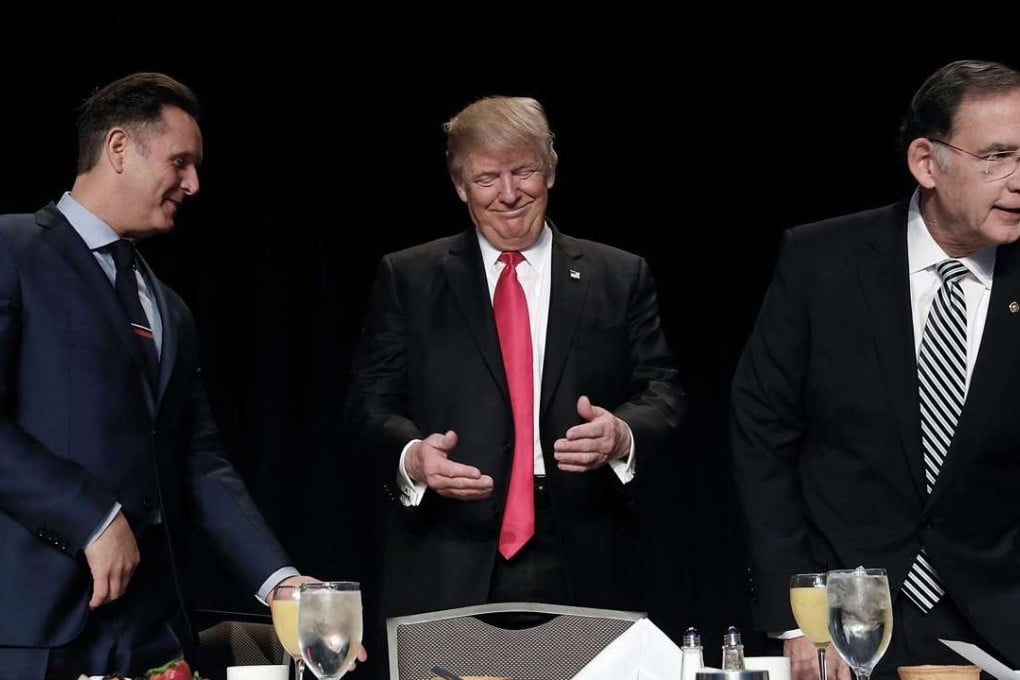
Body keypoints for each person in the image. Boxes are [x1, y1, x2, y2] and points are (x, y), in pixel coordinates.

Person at [0, 72, 365, 679]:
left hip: (153, 634)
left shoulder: (168, 305)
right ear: (118, 148)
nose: (193, 184)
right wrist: (91, 515)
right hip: (36, 633)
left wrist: (279, 582)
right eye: (181, 162)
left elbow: (200, 461)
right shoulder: (11, 251)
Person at [729, 58, 1020, 680]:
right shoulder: (821, 262)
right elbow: (762, 434)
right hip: (849, 625)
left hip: (1000, 625)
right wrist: (798, 614)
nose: (1019, 178)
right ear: (926, 162)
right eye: (998, 155)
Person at [348, 95, 684, 625]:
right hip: (447, 552)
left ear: (549, 172)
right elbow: (369, 404)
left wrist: (622, 432)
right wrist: (412, 457)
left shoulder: (618, 275)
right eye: (486, 179)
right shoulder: (409, 278)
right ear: (459, 185)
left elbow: (663, 391)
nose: (509, 195)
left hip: (584, 550)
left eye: (524, 171)